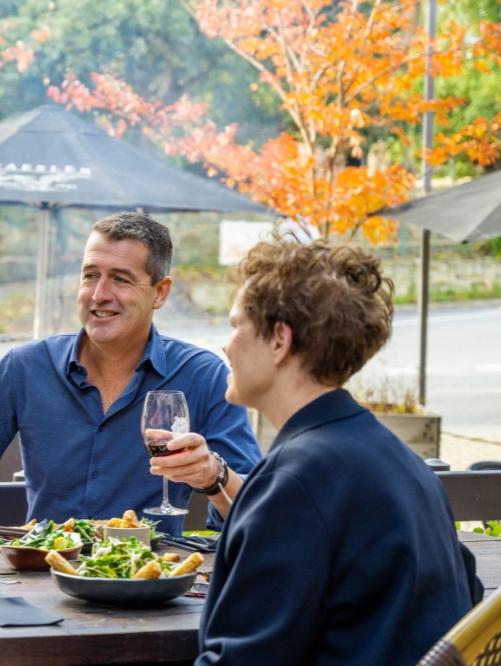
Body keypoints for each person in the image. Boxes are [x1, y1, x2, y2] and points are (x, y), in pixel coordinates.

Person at [190, 239, 482, 666]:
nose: (226, 345)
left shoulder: (295, 483)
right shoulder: (402, 462)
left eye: (236, 326)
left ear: (279, 340)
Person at [0, 212, 262, 544]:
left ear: (160, 292)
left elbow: (254, 509)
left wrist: (214, 477)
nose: (99, 295)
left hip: (150, 585)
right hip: (43, 576)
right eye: (90, 275)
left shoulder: (203, 375)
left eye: (121, 279)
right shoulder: (25, 367)